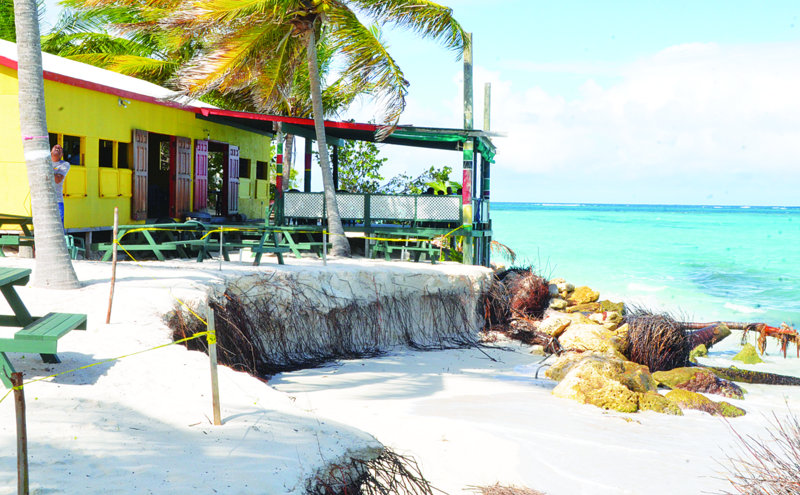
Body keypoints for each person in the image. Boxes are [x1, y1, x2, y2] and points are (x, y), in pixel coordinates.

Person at [51, 144, 70, 225]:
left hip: (57, 201)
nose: (58, 148)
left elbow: (58, 180)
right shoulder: (45, 163)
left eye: (60, 148)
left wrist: (46, 170)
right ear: (50, 152)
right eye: (55, 147)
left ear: (62, 155)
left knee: (58, 226)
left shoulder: (65, 164)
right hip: (44, 201)